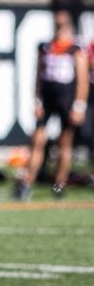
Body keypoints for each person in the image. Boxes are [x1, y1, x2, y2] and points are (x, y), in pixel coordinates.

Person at [16, 11, 88, 200]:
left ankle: (58, 186)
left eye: (63, 25)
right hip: (48, 99)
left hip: (66, 99)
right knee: (37, 139)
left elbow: (82, 80)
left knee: (64, 143)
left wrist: (79, 105)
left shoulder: (75, 50)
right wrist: (37, 99)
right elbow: (38, 75)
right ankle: (26, 183)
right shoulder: (46, 48)